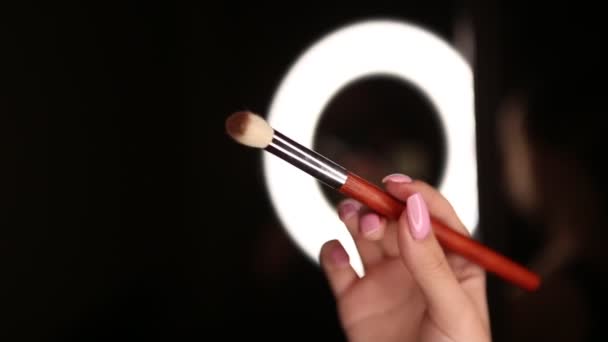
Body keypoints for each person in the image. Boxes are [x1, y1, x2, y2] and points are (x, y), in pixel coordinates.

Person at [318, 2, 608, 341]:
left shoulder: (559, 301)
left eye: (508, 147)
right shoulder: (560, 272)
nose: (500, 167)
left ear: (565, 159)